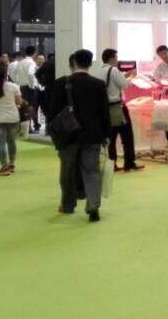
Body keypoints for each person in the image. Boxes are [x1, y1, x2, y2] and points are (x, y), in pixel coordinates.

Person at [49, 50, 110, 222]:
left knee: (67, 170)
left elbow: (52, 111)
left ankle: (68, 205)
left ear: (73, 62)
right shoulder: (98, 84)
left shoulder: (62, 83)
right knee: (92, 171)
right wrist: (106, 135)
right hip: (93, 134)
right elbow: (104, 113)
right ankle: (93, 207)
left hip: (68, 135)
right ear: (90, 64)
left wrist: (53, 133)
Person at [96, 49, 144, 172]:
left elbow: (113, 82)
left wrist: (125, 75)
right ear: (111, 58)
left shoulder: (100, 71)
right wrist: (131, 77)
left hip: (106, 109)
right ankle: (129, 162)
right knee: (127, 136)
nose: (117, 61)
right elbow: (125, 85)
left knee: (111, 137)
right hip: (119, 108)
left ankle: (112, 164)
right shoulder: (114, 70)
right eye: (116, 58)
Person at [11, 46, 38, 133]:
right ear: (34, 53)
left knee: (24, 107)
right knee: (30, 107)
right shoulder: (32, 62)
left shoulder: (20, 62)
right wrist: (31, 85)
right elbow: (30, 74)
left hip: (22, 87)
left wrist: (17, 82)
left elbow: (13, 74)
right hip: (29, 88)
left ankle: (24, 127)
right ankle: (29, 128)